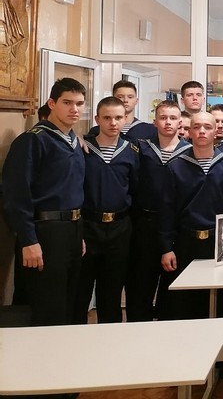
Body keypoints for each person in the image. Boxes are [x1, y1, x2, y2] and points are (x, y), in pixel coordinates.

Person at [2, 78, 86, 326]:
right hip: (45, 230)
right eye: (67, 103)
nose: (74, 109)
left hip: (72, 229)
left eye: (79, 103)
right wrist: (28, 239)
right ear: (52, 103)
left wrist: (78, 233)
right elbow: (16, 194)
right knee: (47, 305)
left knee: (69, 302)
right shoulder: (33, 140)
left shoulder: (74, 141)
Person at [160, 111, 223, 320]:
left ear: (216, 131)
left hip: (220, 242)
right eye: (196, 127)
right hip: (186, 242)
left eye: (207, 127)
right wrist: (166, 248)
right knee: (186, 301)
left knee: (222, 300)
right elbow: (167, 209)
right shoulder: (176, 165)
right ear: (188, 131)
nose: (202, 131)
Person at [74, 96, 139, 324]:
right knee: (80, 291)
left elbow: (136, 189)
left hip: (119, 228)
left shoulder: (132, 151)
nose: (113, 123)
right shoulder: (83, 148)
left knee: (111, 292)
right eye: (107, 118)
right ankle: (75, 337)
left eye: (118, 117)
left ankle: (110, 340)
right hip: (88, 226)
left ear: (126, 119)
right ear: (97, 119)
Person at [126, 100, 190, 322]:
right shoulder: (140, 148)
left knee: (172, 286)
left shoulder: (190, 152)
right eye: (163, 118)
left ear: (180, 122)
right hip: (145, 223)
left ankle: (166, 330)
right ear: (154, 122)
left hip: (176, 227)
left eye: (173, 118)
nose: (168, 122)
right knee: (141, 283)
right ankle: (138, 329)